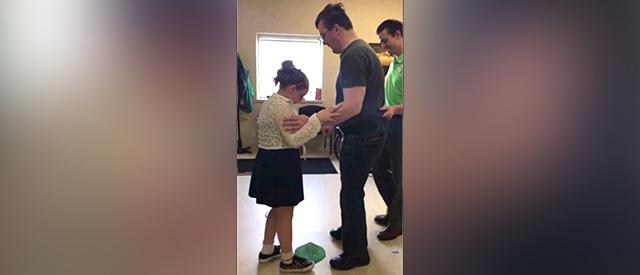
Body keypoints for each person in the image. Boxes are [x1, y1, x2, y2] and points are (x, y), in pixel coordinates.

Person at [285, 2, 387, 270]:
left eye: (324, 36)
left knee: (350, 194)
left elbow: (352, 106)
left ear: (337, 28)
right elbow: (357, 103)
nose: (325, 42)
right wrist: (333, 123)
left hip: (363, 137)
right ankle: (350, 228)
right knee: (350, 191)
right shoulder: (363, 50)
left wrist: (314, 121)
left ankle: (356, 253)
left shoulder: (353, 55)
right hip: (367, 132)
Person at [249, 60, 336, 273]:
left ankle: (267, 250)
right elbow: (294, 141)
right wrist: (317, 118)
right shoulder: (281, 106)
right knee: (285, 210)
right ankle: (288, 260)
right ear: (292, 88)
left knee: (277, 209)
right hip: (280, 162)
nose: (302, 98)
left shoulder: (274, 102)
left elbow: (293, 130)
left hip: (272, 160)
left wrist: (314, 125)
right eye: (301, 93)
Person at [371, 19, 404, 241]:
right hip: (388, 122)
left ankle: (398, 222)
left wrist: (397, 108)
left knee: (402, 176)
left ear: (399, 34)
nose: (384, 47)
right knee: (379, 168)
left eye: (386, 41)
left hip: (403, 122)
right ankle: (395, 212)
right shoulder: (394, 61)